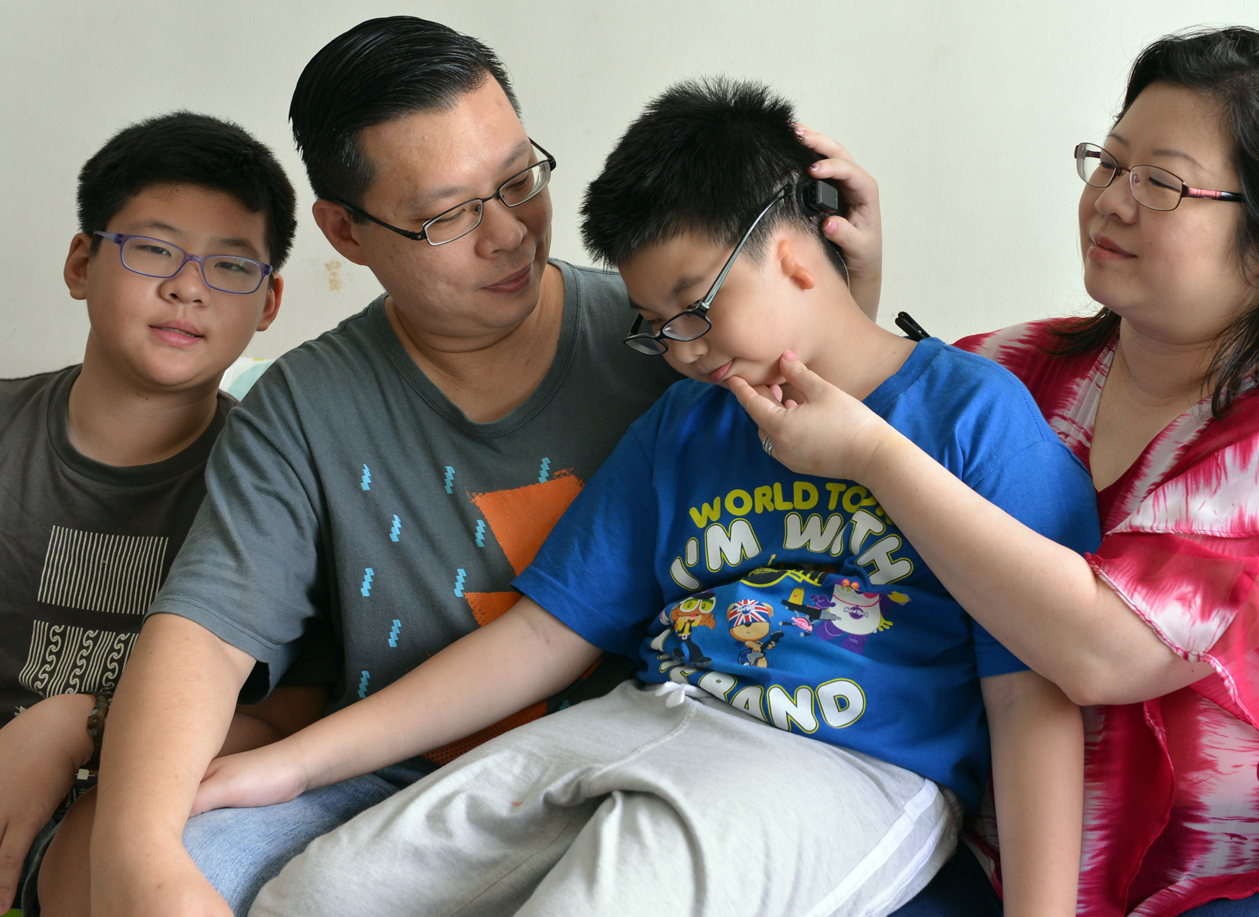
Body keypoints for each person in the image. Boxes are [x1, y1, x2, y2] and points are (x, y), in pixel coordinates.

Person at [191, 77, 1098, 917]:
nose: (686, 350)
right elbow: (543, 635)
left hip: (852, 764)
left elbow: (1033, 696)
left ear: (791, 254)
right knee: (319, 895)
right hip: (653, 713)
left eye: (695, 310)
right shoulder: (684, 425)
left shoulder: (974, 414)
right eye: (657, 328)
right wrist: (293, 765)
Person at [82, 20, 886, 917]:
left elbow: (826, 478)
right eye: (449, 215)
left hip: (651, 771)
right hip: (387, 787)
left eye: (518, 182)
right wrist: (139, 855)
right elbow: (203, 636)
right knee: (200, 854)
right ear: (346, 232)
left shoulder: (674, 336)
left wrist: (850, 296)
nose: (507, 234)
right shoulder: (303, 410)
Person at [732, 27, 1259, 916]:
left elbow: (1099, 652)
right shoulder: (1024, 367)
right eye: (1108, 163)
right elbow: (881, 437)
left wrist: (879, 456)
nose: (1111, 201)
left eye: (1161, 182)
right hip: (1023, 869)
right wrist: (847, 292)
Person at [0, 112, 325, 917]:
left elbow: (291, 718)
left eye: (231, 265)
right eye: (154, 249)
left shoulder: (279, 478)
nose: (188, 287)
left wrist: (89, 726)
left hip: (156, 818)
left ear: (269, 301)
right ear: (80, 262)